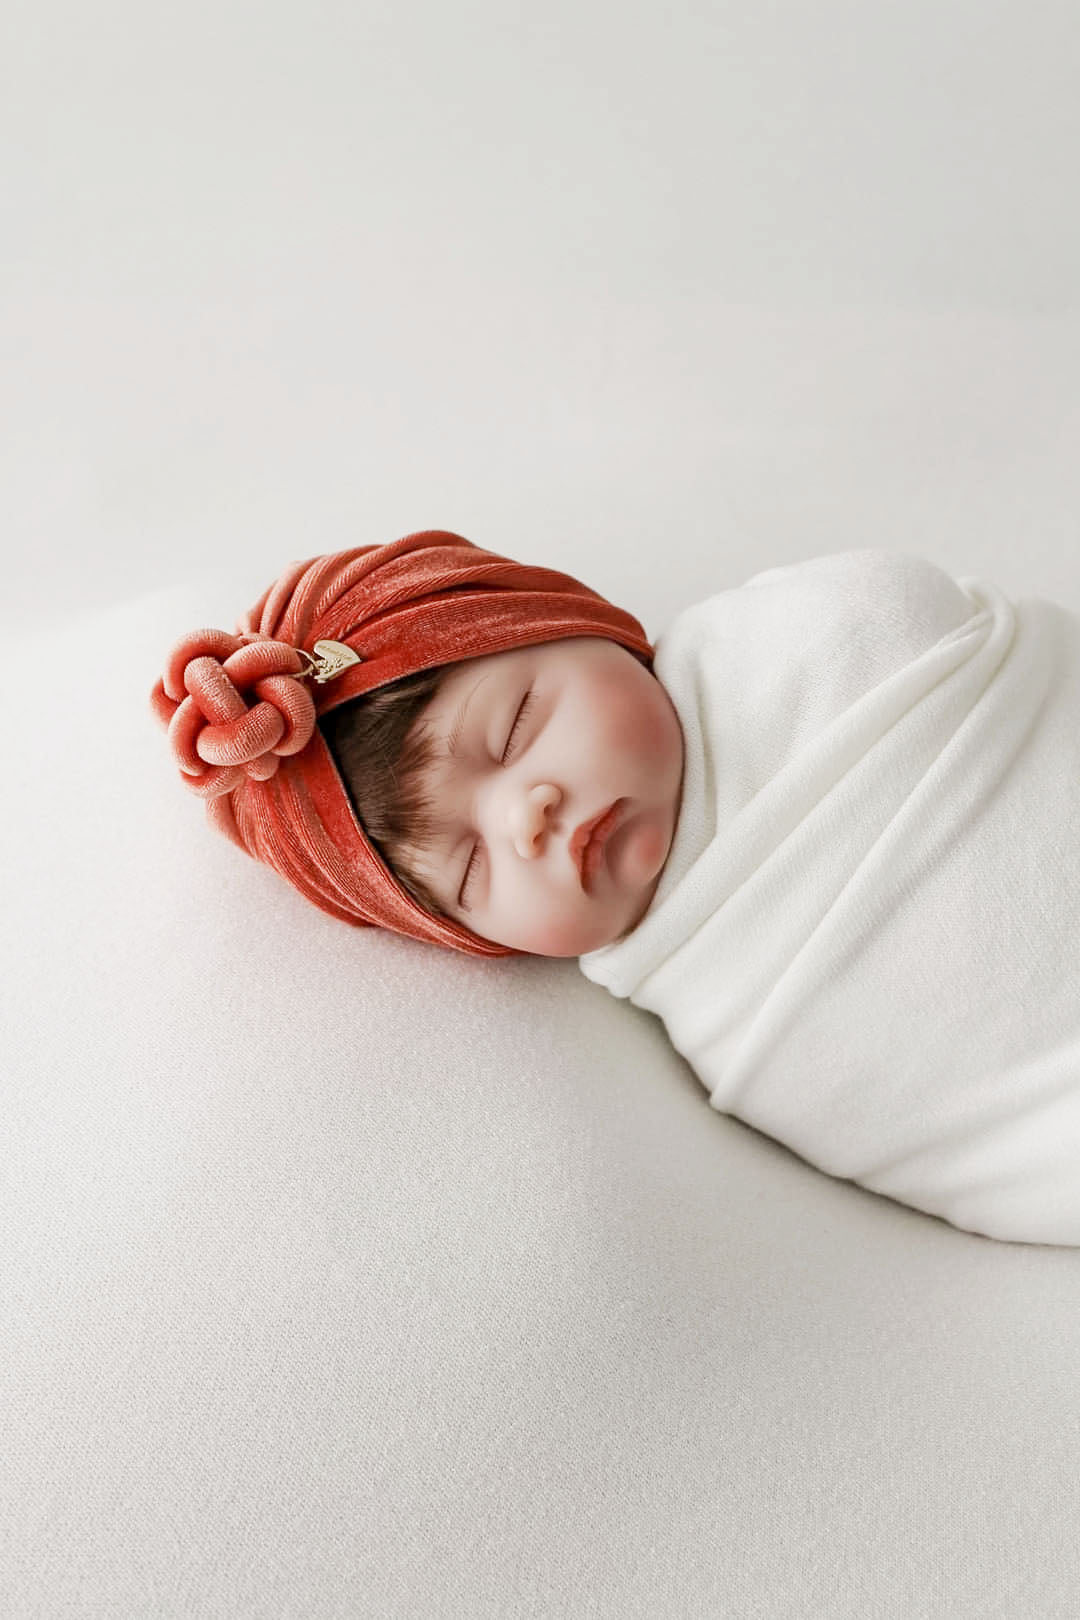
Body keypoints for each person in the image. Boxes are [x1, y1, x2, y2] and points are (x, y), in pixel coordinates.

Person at [152, 528, 1080, 1247]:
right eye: (473, 871)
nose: (527, 818)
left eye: (515, 728)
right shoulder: (729, 1009)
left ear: (577, 626)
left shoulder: (811, 638)